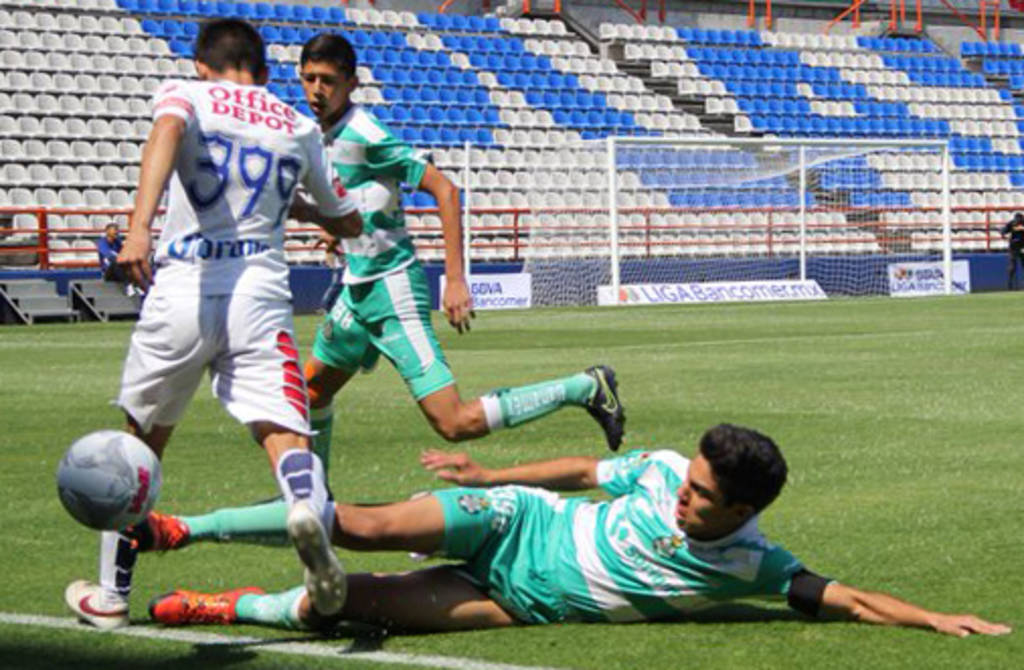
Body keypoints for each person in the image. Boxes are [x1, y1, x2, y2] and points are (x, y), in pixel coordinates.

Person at [124, 32, 626, 551]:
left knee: (454, 423)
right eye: (310, 79)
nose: (317, 90)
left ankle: (585, 387)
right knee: (311, 391)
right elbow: (356, 204)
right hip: (356, 292)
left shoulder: (365, 131)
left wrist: (455, 279)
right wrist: (327, 226)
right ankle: (316, 499)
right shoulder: (310, 133)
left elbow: (444, 189)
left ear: (351, 85)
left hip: (392, 289)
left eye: (329, 82)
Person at [147, 424, 1010, 638]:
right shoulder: (668, 466)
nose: (683, 496)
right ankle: (189, 526)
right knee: (363, 524)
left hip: (525, 605)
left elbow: (846, 598)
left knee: (353, 605)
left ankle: (221, 607)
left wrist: (935, 619)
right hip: (517, 523)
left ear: (741, 514)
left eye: (702, 498)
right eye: (690, 483)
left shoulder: (752, 562)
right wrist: (492, 476)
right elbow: (583, 473)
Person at [65, 19, 364, 630]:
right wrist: (316, 213)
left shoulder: (188, 94)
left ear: (203, 64)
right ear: (266, 70)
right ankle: (304, 507)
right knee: (283, 430)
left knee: (140, 442)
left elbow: (167, 132)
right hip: (258, 294)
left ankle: (110, 595)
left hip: (181, 287)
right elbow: (347, 220)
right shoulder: (297, 124)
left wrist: (141, 225)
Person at [1001, 212, 1024, 290]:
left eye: (1020, 220)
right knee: (1012, 266)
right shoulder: (1011, 224)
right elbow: (1003, 231)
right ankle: (1010, 285)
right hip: (1013, 247)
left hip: (1023, 247)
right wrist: (1005, 236)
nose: (1018, 221)